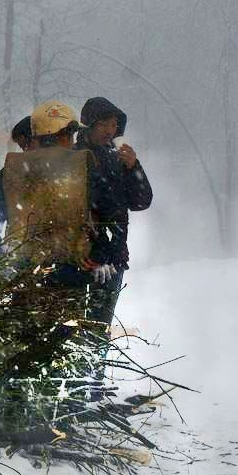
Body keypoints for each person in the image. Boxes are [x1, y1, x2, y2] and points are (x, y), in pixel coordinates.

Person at [75, 97, 153, 327]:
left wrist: (133, 167)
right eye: (103, 124)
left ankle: (95, 363)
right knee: (72, 327)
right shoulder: (74, 157)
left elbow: (141, 202)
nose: (110, 130)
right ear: (89, 125)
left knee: (98, 329)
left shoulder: (117, 159)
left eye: (113, 124)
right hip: (79, 256)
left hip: (113, 258)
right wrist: (94, 246)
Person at [0, 116, 36, 260]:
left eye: (26, 145)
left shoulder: (69, 168)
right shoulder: (11, 174)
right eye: (22, 147)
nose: (25, 152)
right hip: (23, 261)